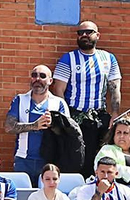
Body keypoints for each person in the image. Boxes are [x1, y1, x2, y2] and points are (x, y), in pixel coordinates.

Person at [50, 20, 121, 165]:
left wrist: (115, 114)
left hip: (99, 118)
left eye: (88, 32)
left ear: (98, 35)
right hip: (74, 117)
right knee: (74, 158)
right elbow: (58, 90)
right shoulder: (67, 59)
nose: (84, 35)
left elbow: (115, 89)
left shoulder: (109, 58)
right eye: (80, 33)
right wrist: (66, 118)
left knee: (99, 158)